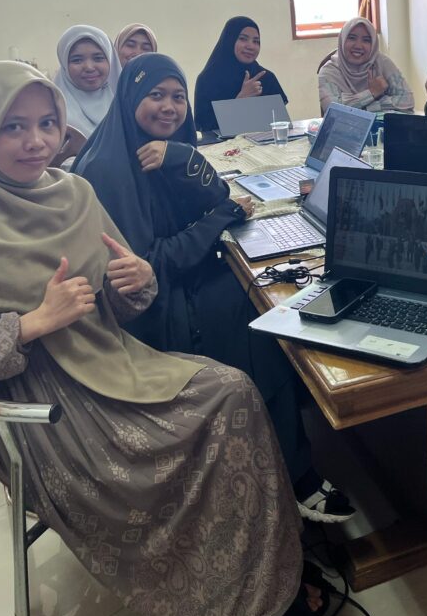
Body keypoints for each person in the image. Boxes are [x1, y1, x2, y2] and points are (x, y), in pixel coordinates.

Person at [0, 60, 332, 616]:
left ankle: (264, 568)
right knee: (188, 434)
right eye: (13, 127)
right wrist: (29, 325)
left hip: (113, 361)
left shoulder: (73, 192)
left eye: (47, 123)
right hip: (43, 405)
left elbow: (123, 297)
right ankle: (233, 597)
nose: (36, 141)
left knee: (234, 392)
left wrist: (137, 281)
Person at [74, 53, 353, 523]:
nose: (169, 107)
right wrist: (219, 219)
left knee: (265, 289)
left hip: (177, 282)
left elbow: (218, 198)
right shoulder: (110, 169)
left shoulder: (154, 148)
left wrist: (183, 156)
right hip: (150, 312)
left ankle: (295, 434)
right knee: (260, 317)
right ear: (130, 98)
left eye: (177, 96)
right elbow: (151, 266)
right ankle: (293, 473)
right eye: (155, 95)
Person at [194, 17, 288, 132]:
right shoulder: (208, 80)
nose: (250, 46)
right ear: (229, 40)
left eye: (256, 41)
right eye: (243, 39)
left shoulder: (266, 78)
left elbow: (279, 126)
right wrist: (241, 100)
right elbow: (204, 129)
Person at [318, 17, 414, 114]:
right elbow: (334, 110)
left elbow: (407, 100)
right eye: (352, 38)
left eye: (366, 40)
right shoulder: (329, 71)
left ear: (373, 44)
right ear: (342, 40)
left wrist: (367, 108)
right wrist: (372, 92)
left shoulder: (382, 63)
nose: (358, 46)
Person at [53, 25, 120, 137]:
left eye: (98, 58)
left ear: (110, 60)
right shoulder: (52, 110)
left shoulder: (126, 103)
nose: (89, 67)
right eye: (77, 60)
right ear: (64, 65)